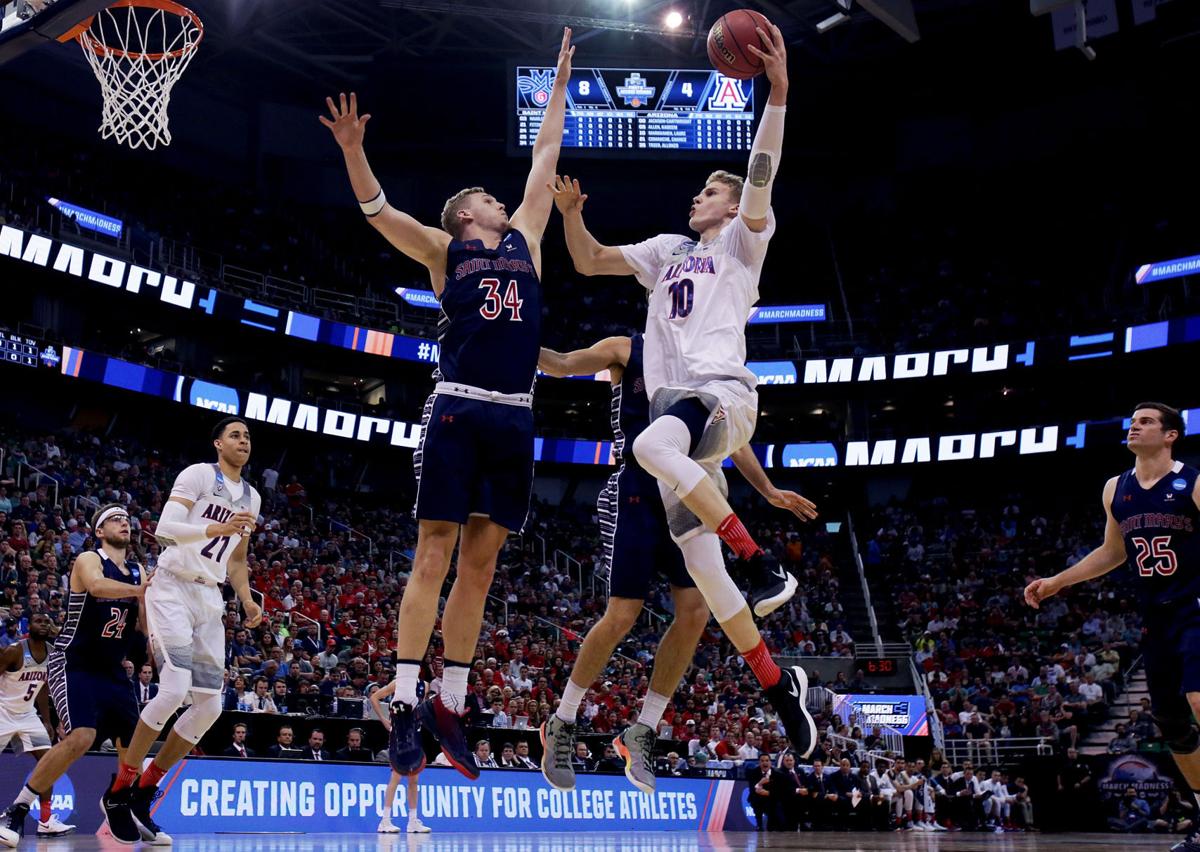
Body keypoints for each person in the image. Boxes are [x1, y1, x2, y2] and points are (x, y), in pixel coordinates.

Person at [547, 22, 815, 761]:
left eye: (709, 191)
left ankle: (763, 559)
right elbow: (591, 260)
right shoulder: (667, 253)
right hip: (681, 431)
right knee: (706, 583)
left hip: (722, 395)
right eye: (702, 191)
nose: (698, 197)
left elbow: (760, 171)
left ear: (731, 209)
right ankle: (777, 691)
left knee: (648, 443)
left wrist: (779, 94)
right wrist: (572, 216)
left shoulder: (741, 241)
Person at [318, 29, 575, 781]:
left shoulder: (527, 236)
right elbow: (375, 209)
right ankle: (403, 701)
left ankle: (450, 701)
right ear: (467, 215)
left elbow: (544, 158)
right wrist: (351, 148)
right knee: (435, 550)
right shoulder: (442, 248)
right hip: (460, 406)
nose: (503, 199)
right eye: (487, 197)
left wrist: (558, 84)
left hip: (516, 411)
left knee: (484, 565)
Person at [537, 334, 817, 794]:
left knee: (695, 613)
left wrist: (767, 490)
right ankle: (563, 719)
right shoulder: (628, 348)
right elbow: (564, 361)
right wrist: (517, 336)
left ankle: (642, 729)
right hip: (637, 490)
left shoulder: (704, 358)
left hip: (688, 492)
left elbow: (728, 437)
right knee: (623, 613)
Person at [1025, 403, 1200, 852]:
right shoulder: (1115, 488)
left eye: (1145, 422)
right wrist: (1056, 582)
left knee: (1198, 696)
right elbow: (1112, 552)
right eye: (1133, 421)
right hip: (1156, 614)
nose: (1134, 426)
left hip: (1196, 606)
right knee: (1172, 722)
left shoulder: (1194, 481)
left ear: (1170, 436)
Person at [111, 416, 263, 844]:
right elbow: (164, 530)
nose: (243, 441)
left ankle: (144, 791)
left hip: (210, 596)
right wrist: (217, 526)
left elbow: (236, 559)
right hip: (173, 587)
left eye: (247, 436)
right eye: (235, 435)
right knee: (174, 690)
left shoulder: (252, 496)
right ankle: (119, 790)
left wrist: (248, 599)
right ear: (217, 443)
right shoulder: (198, 475)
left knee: (210, 707)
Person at [0, 505, 146, 847]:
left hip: (112, 669)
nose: (124, 522)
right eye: (114, 519)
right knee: (81, 736)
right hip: (74, 662)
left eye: (126, 519)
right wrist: (143, 591)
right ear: (98, 531)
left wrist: (164, 651)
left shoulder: (139, 571)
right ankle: (17, 810)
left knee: (135, 745)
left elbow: (142, 624)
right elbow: (95, 587)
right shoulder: (89, 560)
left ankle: (117, 799)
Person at [0, 613, 73, 838]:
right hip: (3, 713)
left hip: (28, 716)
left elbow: (42, 687)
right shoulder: (14, 650)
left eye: (46, 622)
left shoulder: (52, 654)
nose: (43, 624)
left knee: (50, 762)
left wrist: (47, 719)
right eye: (38, 621)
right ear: (28, 626)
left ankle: (45, 820)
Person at [370, 680, 430, 834]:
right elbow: (374, 697)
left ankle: (412, 821)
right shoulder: (398, 682)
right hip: (399, 736)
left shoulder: (425, 685)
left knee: (414, 780)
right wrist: (383, 720)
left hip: (414, 735)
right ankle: (385, 821)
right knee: (396, 777)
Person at [746, 753, 782, 832]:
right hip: (757, 798)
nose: (764, 763)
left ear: (770, 762)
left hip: (771, 798)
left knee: (775, 803)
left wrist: (768, 793)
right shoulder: (753, 773)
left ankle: (771, 826)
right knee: (755, 799)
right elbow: (752, 789)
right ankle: (759, 825)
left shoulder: (777, 774)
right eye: (762, 761)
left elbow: (779, 791)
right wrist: (760, 783)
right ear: (759, 763)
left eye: (767, 761)